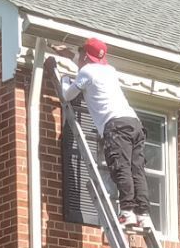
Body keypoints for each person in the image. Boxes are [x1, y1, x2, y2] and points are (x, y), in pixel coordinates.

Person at [48, 37, 150, 230]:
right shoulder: (109, 70)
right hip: (134, 123)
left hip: (116, 125)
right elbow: (85, 62)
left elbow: (68, 96)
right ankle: (142, 214)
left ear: (85, 56)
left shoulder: (86, 72)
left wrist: (66, 82)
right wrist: (68, 53)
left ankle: (127, 212)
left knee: (121, 167)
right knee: (136, 170)